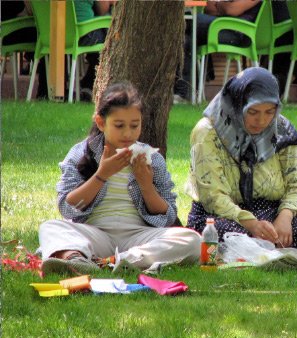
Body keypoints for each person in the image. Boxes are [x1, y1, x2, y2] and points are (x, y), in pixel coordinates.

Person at [38, 82, 201, 275]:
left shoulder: (152, 158)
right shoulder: (81, 153)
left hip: (138, 236)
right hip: (95, 233)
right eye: (119, 125)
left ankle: (120, 261)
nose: (127, 133)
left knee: (193, 240)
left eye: (134, 125)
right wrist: (101, 174)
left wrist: (146, 185)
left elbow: (168, 216)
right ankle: (75, 258)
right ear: (100, 122)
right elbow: (67, 207)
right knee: (50, 227)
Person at [186, 67, 297, 249]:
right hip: (222, 216)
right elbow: (212, 195)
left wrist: (285, 217)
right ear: (237, 104)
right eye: (253, 112)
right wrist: (252, 224)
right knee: (220, 235)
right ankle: (262, 246)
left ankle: (265, 245)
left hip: (271, 212)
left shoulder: (282, 129)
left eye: (269, 111)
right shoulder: (208, 133)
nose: (262, 121)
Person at [174, 0, 263, 103]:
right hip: (220, 25)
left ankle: (185, 92)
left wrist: (220, 6)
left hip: (237, 32)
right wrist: (223, 6)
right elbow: (208, 7)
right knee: (186, 39)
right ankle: (184, 93)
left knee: (192, 19)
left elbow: (231, 10)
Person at [74, 0, 115, 99]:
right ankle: (90, 84)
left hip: (60, 34)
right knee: (111, 39)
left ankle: (88, 84)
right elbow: (102, 10)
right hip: (85, 34)